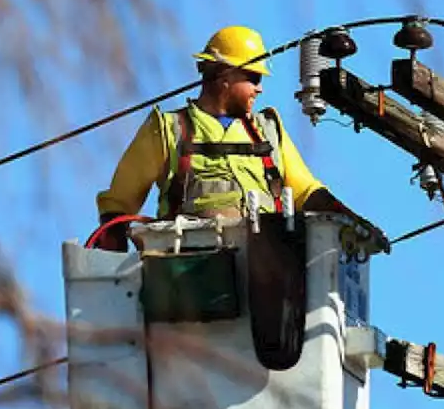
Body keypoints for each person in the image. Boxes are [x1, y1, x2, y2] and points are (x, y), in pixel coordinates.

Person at [92, 25, 388, 252]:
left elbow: (306, 193)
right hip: (190, 262)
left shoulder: (268, 130)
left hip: (268, 261)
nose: (260, 89)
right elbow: (118, 204)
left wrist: (353, 223)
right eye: (254, 79)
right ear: (225, 77)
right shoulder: (168, 129)